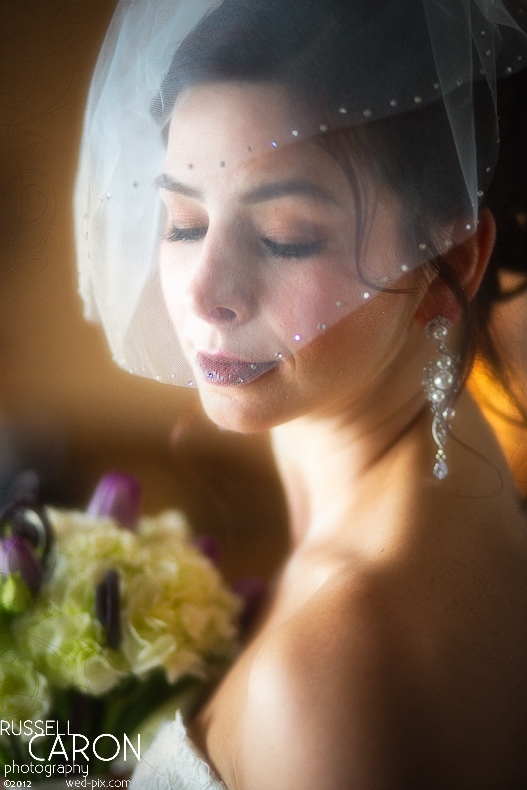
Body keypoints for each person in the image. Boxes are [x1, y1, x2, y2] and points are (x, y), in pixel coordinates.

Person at [75, 0, 527, 787]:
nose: (204, 293)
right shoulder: (459, 487)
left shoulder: (325, 673)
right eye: (182, 222)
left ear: (447, 258)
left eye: (284, 236)